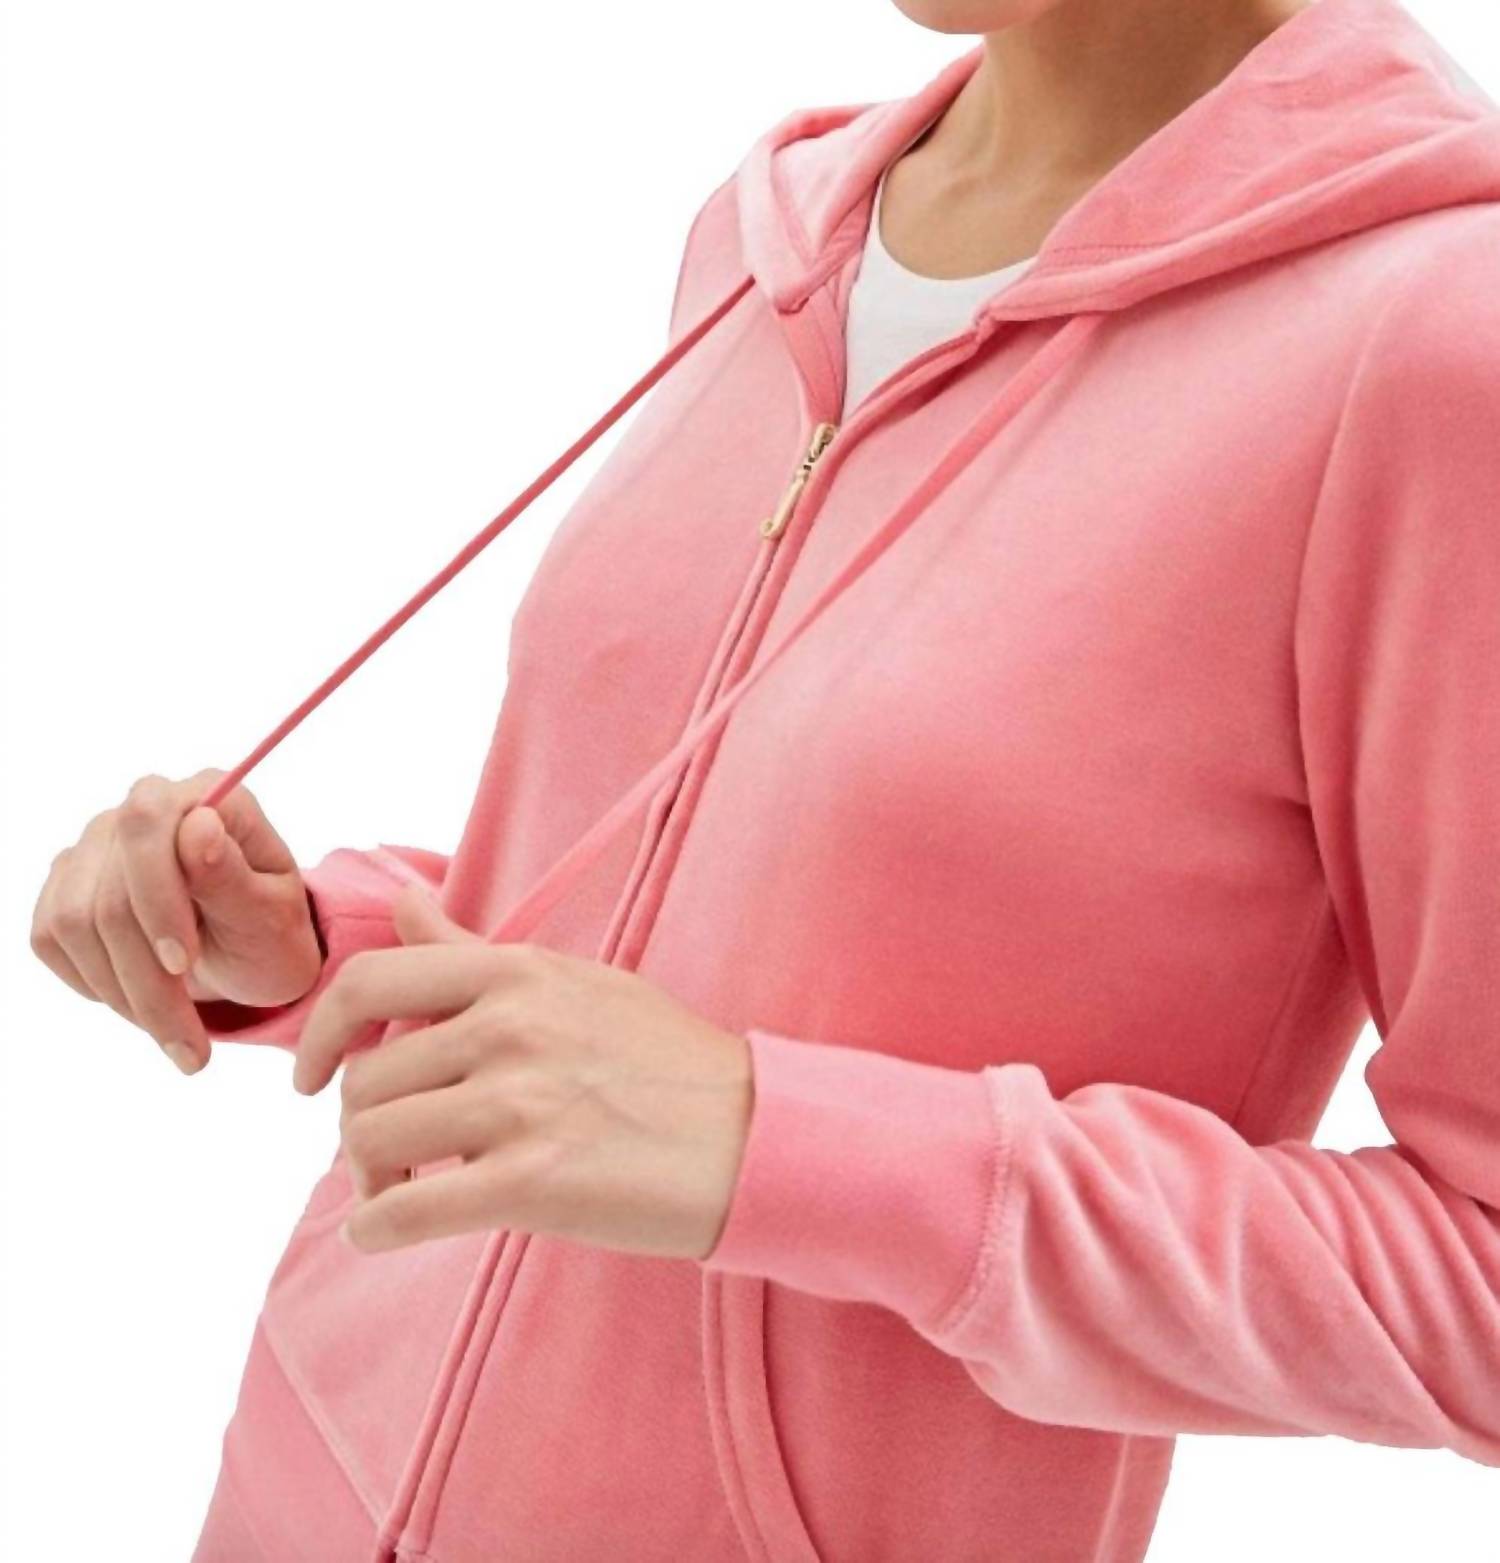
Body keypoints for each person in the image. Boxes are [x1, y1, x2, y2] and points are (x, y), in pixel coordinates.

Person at [28, 0, 1500, 1557]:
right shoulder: (775, 233)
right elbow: (684, 931)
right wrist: (319, 944)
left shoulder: (1437, 339)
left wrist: (774, 1144)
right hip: (300, 1481)